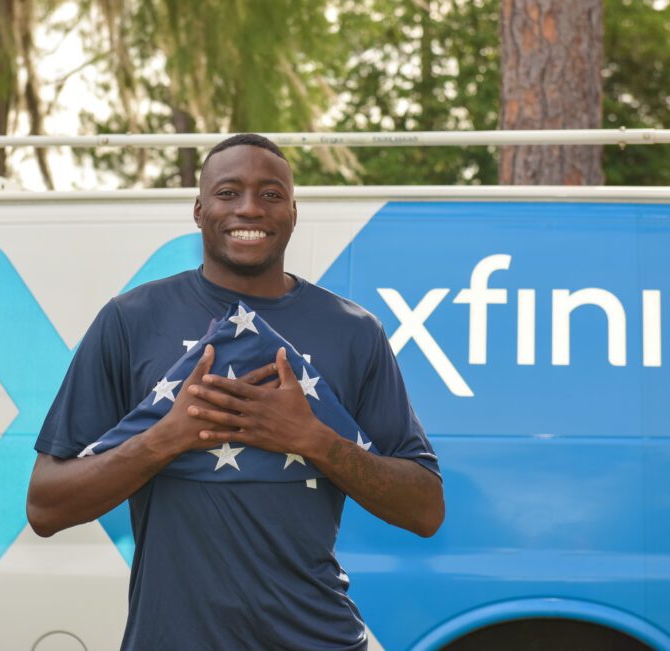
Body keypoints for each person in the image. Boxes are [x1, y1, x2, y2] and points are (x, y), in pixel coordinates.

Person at [26, 133, 445, 650]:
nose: (250, 208)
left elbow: (425, 510)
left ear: (293, 212)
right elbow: (45, 508)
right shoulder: (130, 320)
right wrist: (167, 438)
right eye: (228, 193)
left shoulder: (354, 332)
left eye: (271, 194)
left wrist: (311, 438)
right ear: (199, 210)